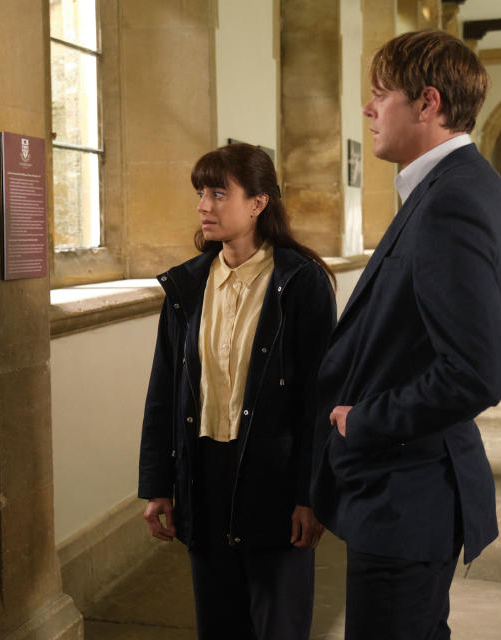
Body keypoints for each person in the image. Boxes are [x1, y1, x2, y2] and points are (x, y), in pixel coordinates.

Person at [310, 31, 501, 640]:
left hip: (408, 491)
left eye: (381, 94)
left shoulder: (451, 199)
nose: (368, 109)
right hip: (406, 488)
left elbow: (474, 374)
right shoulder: (446, 187)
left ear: (427, 103)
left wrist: (363, 420)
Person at [138, 143, 337, 639]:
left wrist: (310, 496)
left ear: (258, 203)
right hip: (203, 477)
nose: (204, 205)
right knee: (219, 625)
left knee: (278, 625)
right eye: (201, 193)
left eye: (218, 193)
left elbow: (319, 400)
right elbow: (164, 389)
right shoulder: (187, 285)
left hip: (274, 481)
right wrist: (158, 484)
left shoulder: (301, 283)